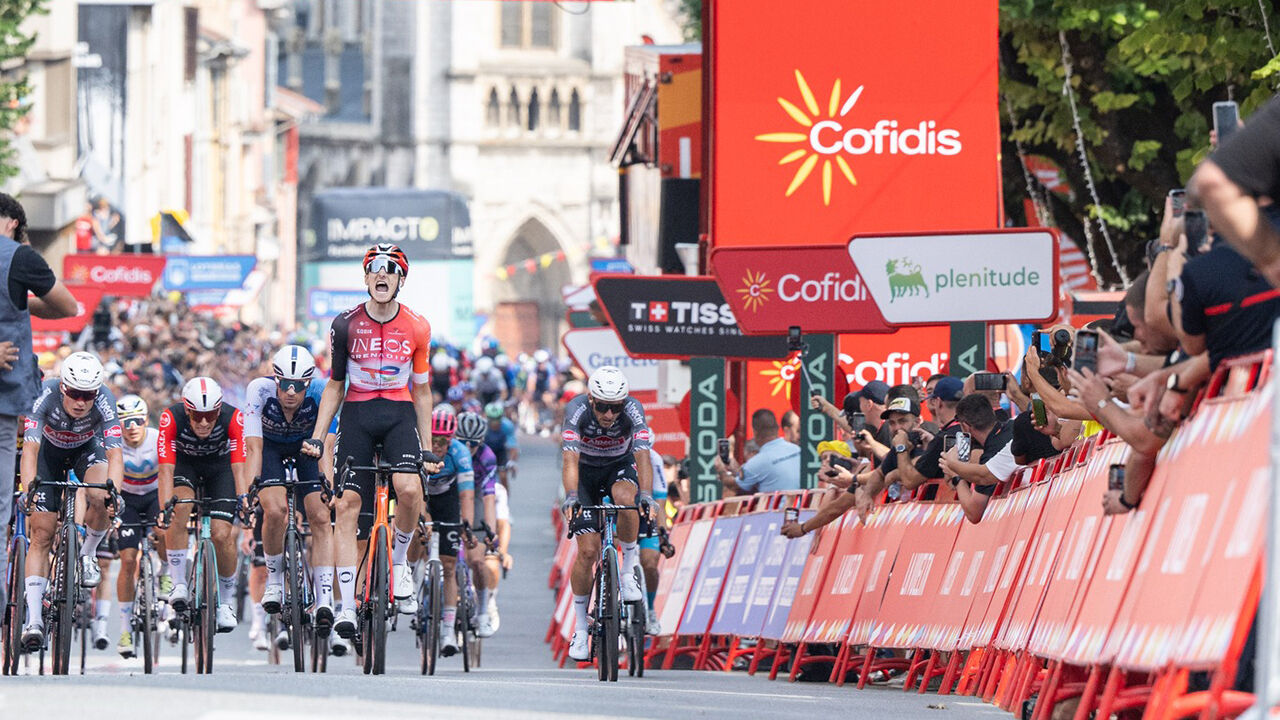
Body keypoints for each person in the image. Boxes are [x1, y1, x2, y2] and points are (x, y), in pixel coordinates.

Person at [303, 243, 443, 642]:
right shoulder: (344, 324)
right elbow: (334, 386)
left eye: (391, 269)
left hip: (398, 414)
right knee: (347, 506)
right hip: (358, 414)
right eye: (374, 269)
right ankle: (347, 606)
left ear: (401, 279)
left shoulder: (417, 326)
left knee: (410, 489)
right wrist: (317, 436)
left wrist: (428, 445)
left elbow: (422, 390)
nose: (382, 274)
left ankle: (398, 565)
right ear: (366, 278)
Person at [18, 352, 123, 650]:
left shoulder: (105, 400)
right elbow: (30, 452)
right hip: (47, 455)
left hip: (86, 450)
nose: (81, 402)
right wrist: (29, 490)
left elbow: (115, 455)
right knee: (41, 532)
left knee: (102, 494)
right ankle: (34, 620)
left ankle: (87, 553)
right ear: (63, 387)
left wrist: (115, 493)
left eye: (87, 395)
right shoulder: (44, 396)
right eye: (75, 394)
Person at [0, 191, 77, 584]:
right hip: (11, 398)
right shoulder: (19, 256)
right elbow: (69, 307)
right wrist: (23, 301)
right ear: (14, 223)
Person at [560, 365, 656, 662]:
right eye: (603, 407)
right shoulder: (575, 411)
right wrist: (572, 497)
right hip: (585, 473)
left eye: (615, 408)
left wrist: (648, 496)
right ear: (591, 400)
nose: (609, 415)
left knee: (627, 497)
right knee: (587, 552)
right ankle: (579, 627)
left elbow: (642, 456)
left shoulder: (633, 410)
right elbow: (570, 460)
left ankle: (627, 572)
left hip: (619, 465)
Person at [242, 345, 335, 635]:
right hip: (269, 448)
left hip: (309, 447)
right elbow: (253, 448)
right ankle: (273, 582)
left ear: (309, 384)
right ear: (276, 380)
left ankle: (325, 597)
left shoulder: (322, 392)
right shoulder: (259, 390)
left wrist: (328, 485)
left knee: (320, 516)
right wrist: (249, 492)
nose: (291, 392)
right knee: (276, 509)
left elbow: (328, 446)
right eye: (285, 384)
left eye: (298, 386)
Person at [157, 376, 248, 634]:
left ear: (219, 409)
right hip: (184, 466)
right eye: (197, 416)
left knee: (222, 534)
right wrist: (165, 506)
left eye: (211, 415)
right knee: (180, 508)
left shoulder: (233, 417)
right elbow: (165, 469)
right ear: (186, 409)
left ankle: (226, 603)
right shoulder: (170, 418)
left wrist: (243, 499)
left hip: (220, 470)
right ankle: (178, 584)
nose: (205, 422)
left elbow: (239, 464)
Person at [112, 393, 169, 658]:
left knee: (165, 530)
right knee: (127, 560)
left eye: (136, 420)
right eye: (125, 422)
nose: (132, 427)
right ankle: (124, 630)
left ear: (146, 420)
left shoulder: (158, 439)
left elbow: (172, 470)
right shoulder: (111, 443)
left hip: (155, 495)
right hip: (128, 501)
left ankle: (167, 570)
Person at [421, 408, 475, 655]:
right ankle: (410, 577)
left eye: (443, 441)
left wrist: (467, 525)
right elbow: (412, 490)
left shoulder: (460, 453)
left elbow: (466, 493)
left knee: (450, 566)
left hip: (448, 500)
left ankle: (447, 630)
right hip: (423, 496)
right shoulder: (418, 446)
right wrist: (424, 517)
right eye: (434, 439)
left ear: (452, 440)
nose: (438, 445)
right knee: (416, 530)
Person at [455, 411, 500, 638]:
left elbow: (489, 497)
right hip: (453, 496)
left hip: (476, 500)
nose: (468, 448)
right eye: (463, 443)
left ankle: (482, 612)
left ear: (480, 443)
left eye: (473, 445)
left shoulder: (487, 456)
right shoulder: (449, 451)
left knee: (478, 562)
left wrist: (491, 532)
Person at [938, 394, 1015, 523]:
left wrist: (956, 475)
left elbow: (974, 513)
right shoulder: (1014, 425)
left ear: (965, 427)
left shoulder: (990, 456)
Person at [717, 409, 801, 494]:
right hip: (801, 505)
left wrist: (721, 470)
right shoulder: (797, 450)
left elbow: (733, 485)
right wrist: (737, 470)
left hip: (777, 507)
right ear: (777, 428)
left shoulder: (757, 462)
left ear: (755, 432)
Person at [638, 446, 670, 635]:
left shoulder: (654, 458)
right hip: (618, 509)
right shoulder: (614, 450)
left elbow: (660, 502)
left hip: (645, 512)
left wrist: (662, 534)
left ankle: (650, 610)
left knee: (650, 562)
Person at [483, 401, 519, 487]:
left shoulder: (507, 425)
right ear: (487, 418)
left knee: (503, 476)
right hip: (485, 451)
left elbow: (513, 447)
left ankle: (505, 497)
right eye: (492, 419)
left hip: (500, 451)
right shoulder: (482, 426)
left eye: (497, 419)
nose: (495, 422)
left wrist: (512, 462)